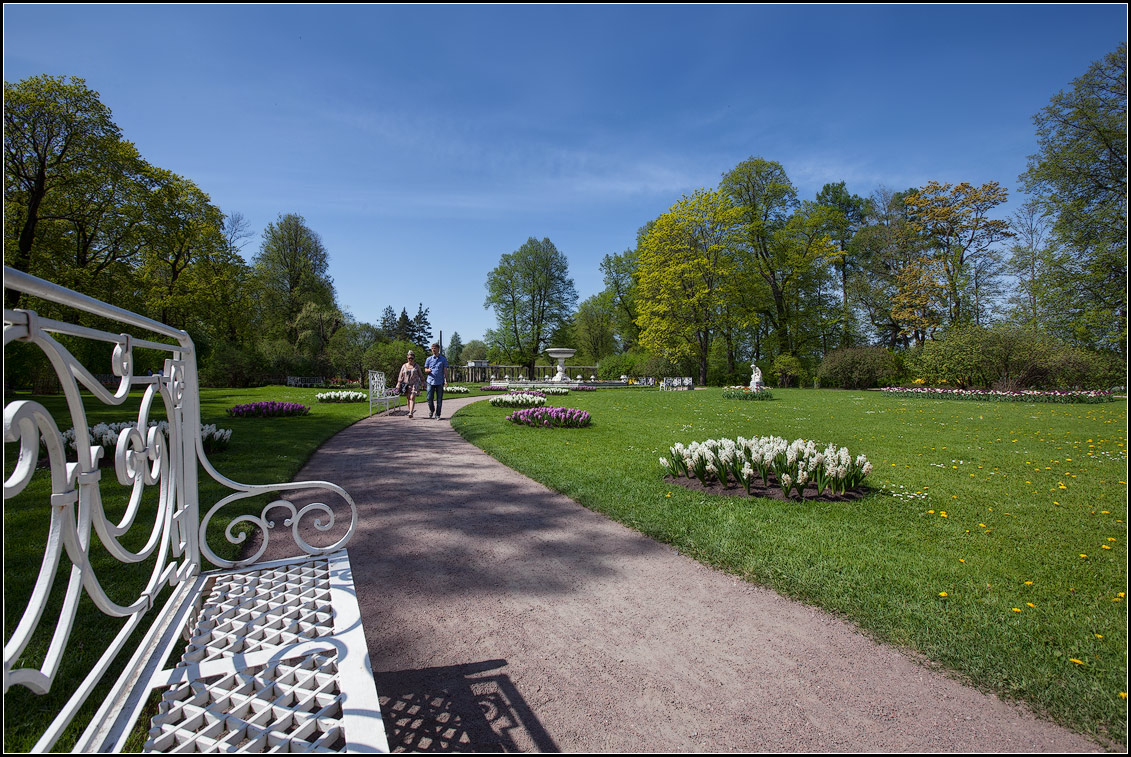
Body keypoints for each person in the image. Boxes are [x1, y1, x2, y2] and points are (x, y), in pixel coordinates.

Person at [424, 342, 448, 419]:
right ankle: (432, 410)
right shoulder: (429, 359)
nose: (433, 350)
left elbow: (445, 370)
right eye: (432, 349)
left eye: (435, 348)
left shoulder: (443, 359)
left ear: (438, 349)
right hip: (430, 381)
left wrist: (446, 380)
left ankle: (438, 414)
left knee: (439, 399)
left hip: (439, 381)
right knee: (429, 398)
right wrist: (428, 370)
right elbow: (425, 369)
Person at [397, 350, 424, 418]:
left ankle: (411, 412)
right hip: (406, 384)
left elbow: (420, 375)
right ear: (407, 358)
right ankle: (410, 411)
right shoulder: (404, 366)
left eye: (412, 358)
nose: (410, 359)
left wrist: (423, 382)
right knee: (408, 398)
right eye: (409, 358)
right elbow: (400, 375)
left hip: (414, 384)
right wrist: (399, 383)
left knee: (412, 397)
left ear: (414, 358)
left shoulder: (416, 366)